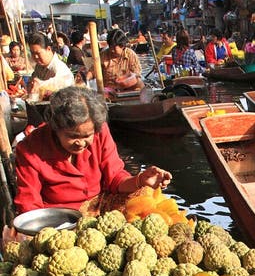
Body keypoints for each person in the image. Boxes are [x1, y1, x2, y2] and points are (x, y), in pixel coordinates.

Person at [14, 86, 171, 213]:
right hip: (58, 217)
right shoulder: (30, 149)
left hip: (100, 205)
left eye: (87, 136)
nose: (81, 143)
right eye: (73, 136)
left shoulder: (100, 131)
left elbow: (115, 177)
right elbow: (29, 204)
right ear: (56, 127)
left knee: (144, 195)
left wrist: (141, 180)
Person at [27, 32, 74, 101]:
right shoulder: (39, 66)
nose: (35, 57)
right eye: (33, 53)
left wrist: (40, 84)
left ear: (48, 49)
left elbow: (61, 84)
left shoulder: (59, 67)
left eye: (38, 53)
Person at [99, 28, 143, 95]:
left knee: (139, 83)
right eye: (110, 47)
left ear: (122, 46)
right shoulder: (103, 55)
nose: (111, 50)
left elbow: (136, 74)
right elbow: (93, 71)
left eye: (114, 48)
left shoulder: (131, 54)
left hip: (128, 89)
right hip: (109, 91)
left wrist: (125, 80)